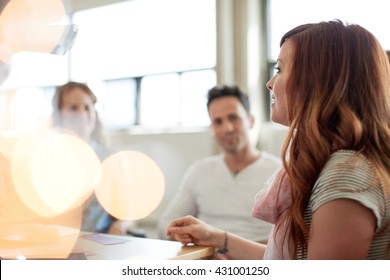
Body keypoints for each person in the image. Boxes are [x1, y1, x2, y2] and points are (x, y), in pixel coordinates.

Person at [166, 20, 390, 260]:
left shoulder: (347, 175)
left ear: (316, 80)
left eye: (280, 69)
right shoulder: (332, 166)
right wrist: (217, 239)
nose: (269, 84)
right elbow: (289, 261)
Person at [158, 85, 281, 244]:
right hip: (206, 259)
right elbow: (165, 226)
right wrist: (182, 235)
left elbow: (292, 237)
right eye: (218, 122)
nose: (227, 128)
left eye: (233, 118)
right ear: (212, 128)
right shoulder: (200, 170)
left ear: (250, 120)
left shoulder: (278, 171)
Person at [52, 81, 136, 235]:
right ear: (59, 114)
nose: (82, 114)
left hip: (98, 242)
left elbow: (128, 213)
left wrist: (120, 226)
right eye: (73, 108)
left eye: (87, 107)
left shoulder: (111, 157)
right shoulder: (48, 159)